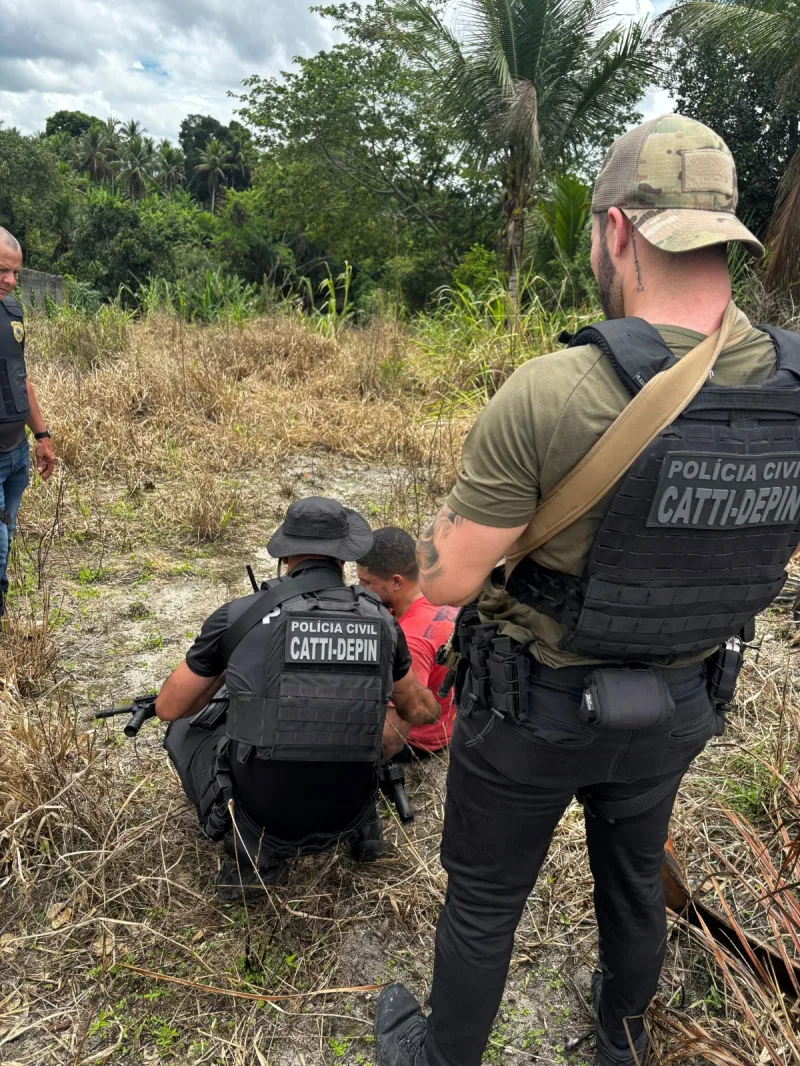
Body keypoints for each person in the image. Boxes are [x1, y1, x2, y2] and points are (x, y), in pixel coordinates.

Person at [374, 115, 800, 1066]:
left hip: (536, 713)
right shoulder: (794, 387)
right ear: (727, 231)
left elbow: (447, 577)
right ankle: (623, 1043)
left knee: (486, 900)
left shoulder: (554, 389)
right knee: (635, 879)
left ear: (617, 230)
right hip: (683, 702)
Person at [155, 496, 440, 900]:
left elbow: (169, 707)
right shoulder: (382, 621)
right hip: (349, 805)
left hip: (265, 812)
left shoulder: (239, 615)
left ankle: (252, 854)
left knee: (185, 728)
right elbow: (417, 710)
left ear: (286, 555)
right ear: (344, 559)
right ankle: (366, 828)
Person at [356, 527, 456, 759]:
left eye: (365, 581)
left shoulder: (410, 637)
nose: (360, 588)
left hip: (419, 741)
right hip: (448, 722)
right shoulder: (441, 594)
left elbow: (393, 733)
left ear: (397, 582)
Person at [0, 228, 56, 617]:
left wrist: (42, 435)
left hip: (17, 451)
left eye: (16, 273)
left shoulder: (12, 312)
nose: (10, 281)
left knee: (8, 531)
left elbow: (21, 378)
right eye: (2, 271)